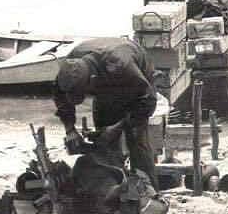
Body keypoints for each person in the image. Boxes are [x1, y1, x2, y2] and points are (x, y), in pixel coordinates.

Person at [53, 38, 159, 190]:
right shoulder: (70, 66)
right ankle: (112, 184)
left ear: (92, 80)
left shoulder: (121, 65)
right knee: (103, 140)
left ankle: (150, 192)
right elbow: (60, 96)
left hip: (138, 81)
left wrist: (118, 126)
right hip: (106, 78)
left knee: (137, 139)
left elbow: (147, 101)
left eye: (83, 92)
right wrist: (70, 130)